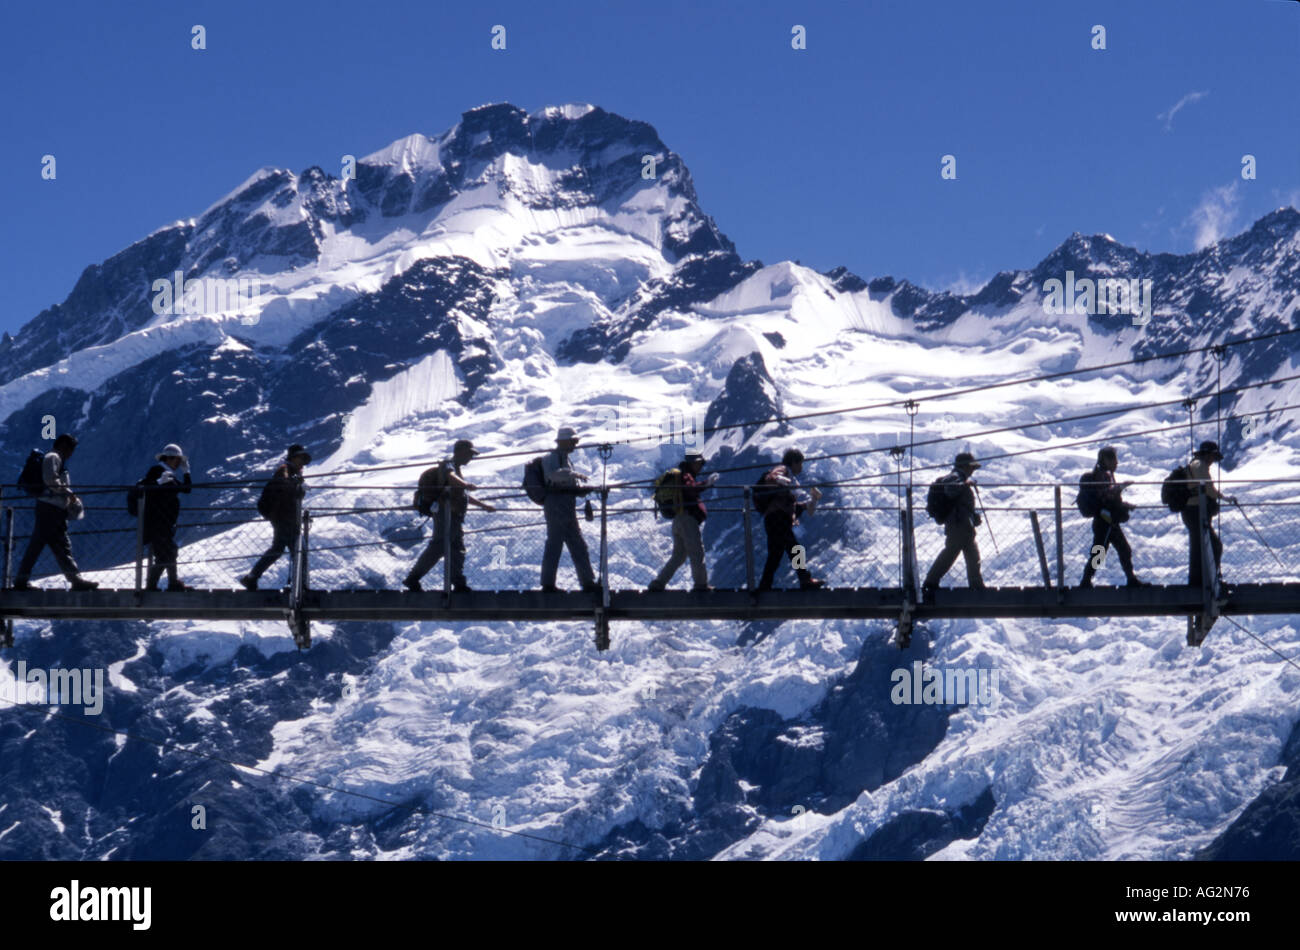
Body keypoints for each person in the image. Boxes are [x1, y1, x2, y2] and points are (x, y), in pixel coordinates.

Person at [403, 439, 496, 592]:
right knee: (438, 547)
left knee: (456, 549)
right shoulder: (448, 464)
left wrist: (483, 506)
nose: (471, 458)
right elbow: (451, 476)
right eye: (469, 454)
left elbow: (463, 495)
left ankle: (458, 583)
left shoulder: (457, 470)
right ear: (460, 452)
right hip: (445, 514)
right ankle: (413, 578)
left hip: (455, 516)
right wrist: (465, 485)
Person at [11, 434, 98, 591]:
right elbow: (51, 480)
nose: (71, 453)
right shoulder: (53, 457)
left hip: (49, 509)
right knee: (58, 545)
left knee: (50, 545)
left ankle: (21, 581)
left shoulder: (54, 458)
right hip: (51, 508)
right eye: (71, 449)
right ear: (64, 446)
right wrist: (69, 494)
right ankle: (75, 580)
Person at [240, 443, 311, 590]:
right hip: (285, 519)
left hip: (282, 518)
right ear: (294, 458)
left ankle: (252, 577)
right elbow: (284, 487)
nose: (302, 462)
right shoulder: (285, 471)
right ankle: (297, 586)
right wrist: (298, 487)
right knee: (298, 551)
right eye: (300, 458)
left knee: (279, 549)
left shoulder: (293, 473)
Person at [648, 451, 718, 592]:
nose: (700, 466)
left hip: (678, 521)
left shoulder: (681, 475)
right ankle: (701, 585)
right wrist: (707, 483)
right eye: (699, 463)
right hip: (687, 520)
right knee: (696, 552)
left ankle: (658, 583)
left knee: (678, 557)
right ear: (692, 463)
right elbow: (691, 490)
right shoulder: (686, 475)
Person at [540, 426, 599, 593]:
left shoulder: (564, 459)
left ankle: (585, 582)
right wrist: (574, 475)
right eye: (573, 441)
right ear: (563, 441)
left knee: (574, 544)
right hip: (557, 505)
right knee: (558, 544)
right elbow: (553, 476)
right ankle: (550, 584)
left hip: (565, 505)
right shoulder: (551, 458)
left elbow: (563, 481)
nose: (575, 444)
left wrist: (579, 490)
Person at [1078, 446, 1147, 588]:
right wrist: (1120, 488)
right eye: (1114, 459)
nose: (1116, 463)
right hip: (1105, 521)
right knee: (1114, 550)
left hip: (1104, 520)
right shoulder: (1102, 475)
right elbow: (1106, 497)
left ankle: (1087, 580)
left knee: (1103, 551)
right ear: (1106, 460)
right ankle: (1129, 579)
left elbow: (1108, 498)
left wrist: (1123, 503)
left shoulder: (1103, 474)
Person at [756, 449, 824, 591]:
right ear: (793, 462)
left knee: (776, 554)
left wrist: (808, 504)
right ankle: (804, 579)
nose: (801, 467)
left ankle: (764, 586)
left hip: (775, 519)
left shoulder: (792, 480)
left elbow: (790, 505)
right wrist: (779, 479)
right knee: (794, 548)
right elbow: (772, 477)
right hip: (778, 518)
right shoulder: (784, 470)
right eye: (800, 463)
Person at [922, 452, 986, 596]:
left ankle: (976, 585)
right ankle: (931, 582)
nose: (972, 470)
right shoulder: (956, 476)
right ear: (964, 466)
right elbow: (951, 491)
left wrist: (973, 517)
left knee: (968, 554)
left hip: (962, 525)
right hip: (958, 525)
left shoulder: (959, 477)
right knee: (954, 553)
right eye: (971, 467)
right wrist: (965, 484)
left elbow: (960, 503)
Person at [140, 443, 194, 591]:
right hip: (158, 523)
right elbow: (147, 487)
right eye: (178, 460)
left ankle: (166, 584)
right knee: (167, 553)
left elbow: (186, 489)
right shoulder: (158, 472)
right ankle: (166, 584)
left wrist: (186, 472)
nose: (178, 463)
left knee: (168, 552)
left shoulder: (168, 474)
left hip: (163, 523)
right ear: (170, 459)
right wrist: (159, 482)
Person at [1183, 440, 1235, 587]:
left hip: (1192, 512)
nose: (1213, 460)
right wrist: (1223, 498)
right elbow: (1208, 488)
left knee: (1199, 546)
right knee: (1214, 546)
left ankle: (1198, 581)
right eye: (1213, 456)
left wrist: (1222, 498)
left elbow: (1207, 489)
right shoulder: (1200, 466)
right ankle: (1208, 581)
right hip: (1195, 512)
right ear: (1207, 454)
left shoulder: (1196, 464)